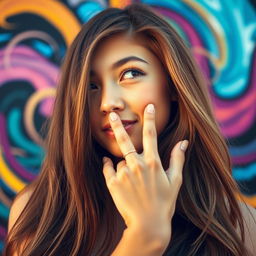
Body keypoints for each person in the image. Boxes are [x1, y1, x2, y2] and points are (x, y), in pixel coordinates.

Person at [4, 3, 256, 256]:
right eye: (91, 86)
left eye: (131, 73)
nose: (108, 103)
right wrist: (145, 237)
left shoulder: (242, 227)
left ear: (172, 85)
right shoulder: (37, 216)